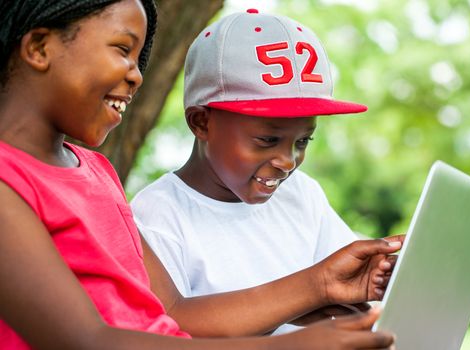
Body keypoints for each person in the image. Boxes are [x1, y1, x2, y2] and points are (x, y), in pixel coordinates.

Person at [0, 1, 401, 349]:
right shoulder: (9, 183)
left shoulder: (95, 171)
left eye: (139, 57)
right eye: (123, 49)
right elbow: (85, 341)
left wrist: (318, 293)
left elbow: (170, 313)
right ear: (39, 47)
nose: (137, 74)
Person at [131, 8, 400, 335]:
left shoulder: (302, 193)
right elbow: (167, 329)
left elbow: (346, 296)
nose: (287, 160)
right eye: (267, 139)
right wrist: (315, 287)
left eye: (303, 140)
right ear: (201, 122)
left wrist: (383, 277)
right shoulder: (157, 215)